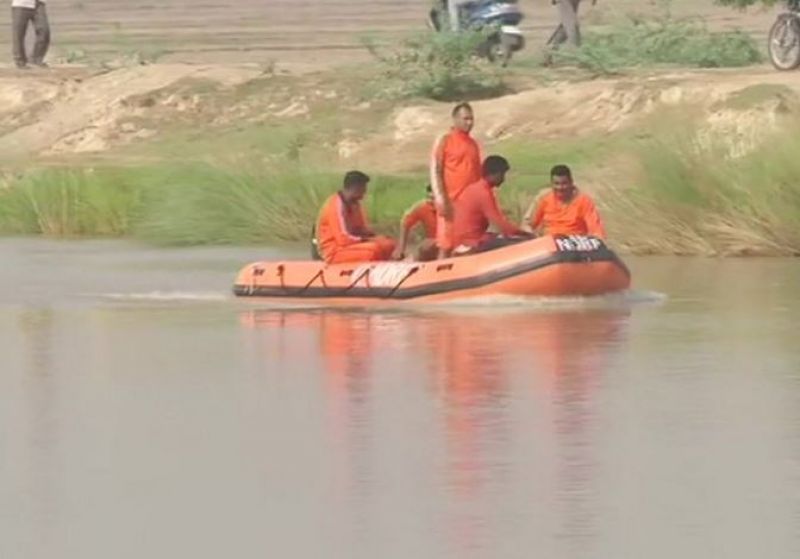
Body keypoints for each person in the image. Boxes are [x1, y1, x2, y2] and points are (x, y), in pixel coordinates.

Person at [430, 102, 482, 258]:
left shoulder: (473, 144)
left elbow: (477, 175)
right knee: (446, 244)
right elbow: (436, 170)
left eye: (471, 119)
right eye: (466, 119)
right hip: (450, 202)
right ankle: (439, 278)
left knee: (467, 246)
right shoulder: (445, 140)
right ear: (455, 119)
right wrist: (441, 200)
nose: (469, 123)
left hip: (469, 205)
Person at [315, 171, 396, 264]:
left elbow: (361, 229)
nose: (364, 193)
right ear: (355, 187)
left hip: (352, 245)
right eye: (363, 189)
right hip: (335, 251)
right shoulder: (335, 205)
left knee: (389, 244)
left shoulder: (355, 204)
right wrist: (367, 240)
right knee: (373, 251)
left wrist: (378, 237)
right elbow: (343, 239)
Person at [451, 155, 527, 254]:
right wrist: (524, 234)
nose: (503, 179)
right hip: (472, 241)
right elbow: (499, 223)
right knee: (520, 244)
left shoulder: (475, 188)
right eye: (502, 175)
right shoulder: (483, 192)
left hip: (466, 238)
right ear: (495, 174)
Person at [523, 164, 606, 238]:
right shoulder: (544, 198)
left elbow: (596, 231)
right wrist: (533, 237)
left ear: (571, 182)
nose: (560, 188)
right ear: (551, 184)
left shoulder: (584, 201)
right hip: (549, 246)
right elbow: (527, 224)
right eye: (556, 184)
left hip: (574, 247)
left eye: (564, 183)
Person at [392, 185, 438, 262]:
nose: (431, 201)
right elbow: (405, 222)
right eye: (429, 198)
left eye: (434, 198)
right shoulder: (424, 207)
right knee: (425, 247)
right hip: (433, 244)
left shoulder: (455, 206)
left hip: (453, 244)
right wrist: (401, 248)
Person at [11, 0, 50, 69]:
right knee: (19, 34)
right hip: (21, 4)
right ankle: (20, 61)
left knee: (44, 31)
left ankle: (36, 59)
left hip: (39, 4)